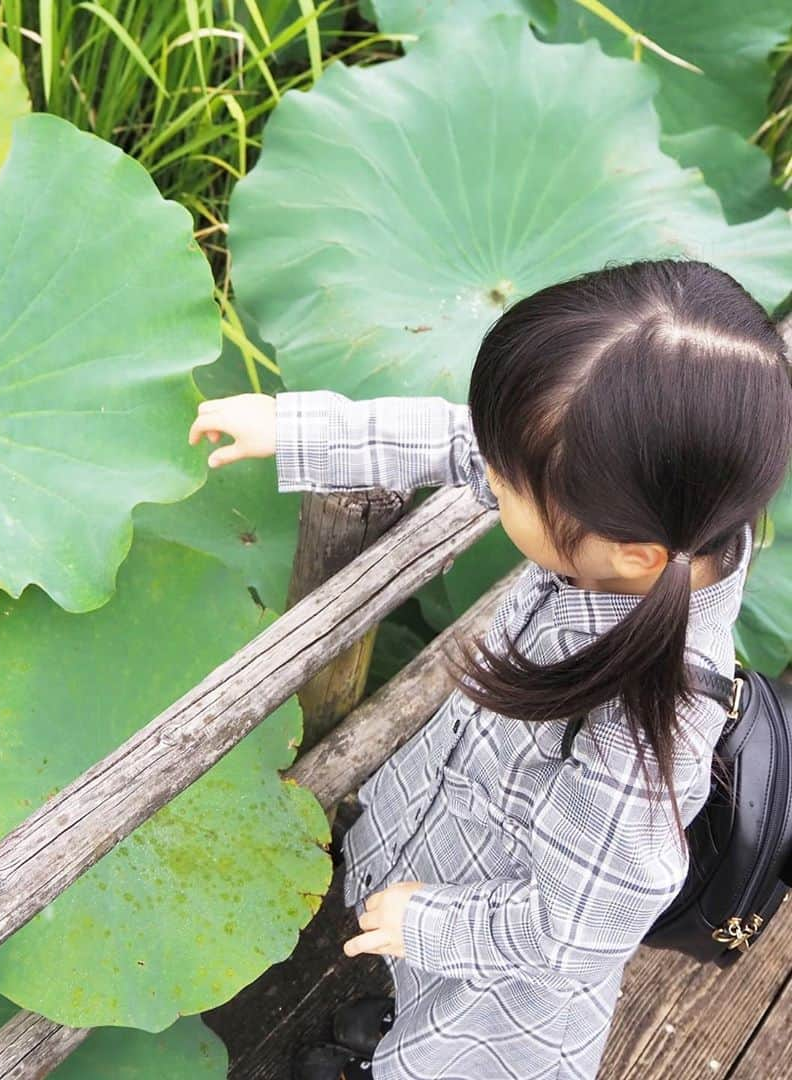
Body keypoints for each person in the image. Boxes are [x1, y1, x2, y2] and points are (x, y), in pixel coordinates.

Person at [187, 259, 792, 1080]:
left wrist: (432, 927)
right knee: (412, 984)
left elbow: (573, 936)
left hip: (508, 991)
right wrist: (301, 430)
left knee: (442, 1056)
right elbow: (460, 440)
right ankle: (400, 1007)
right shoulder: (641, 516)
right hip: (455, 841)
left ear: (634, 552)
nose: (485, 477)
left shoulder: (648, 735)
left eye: (506, 486)